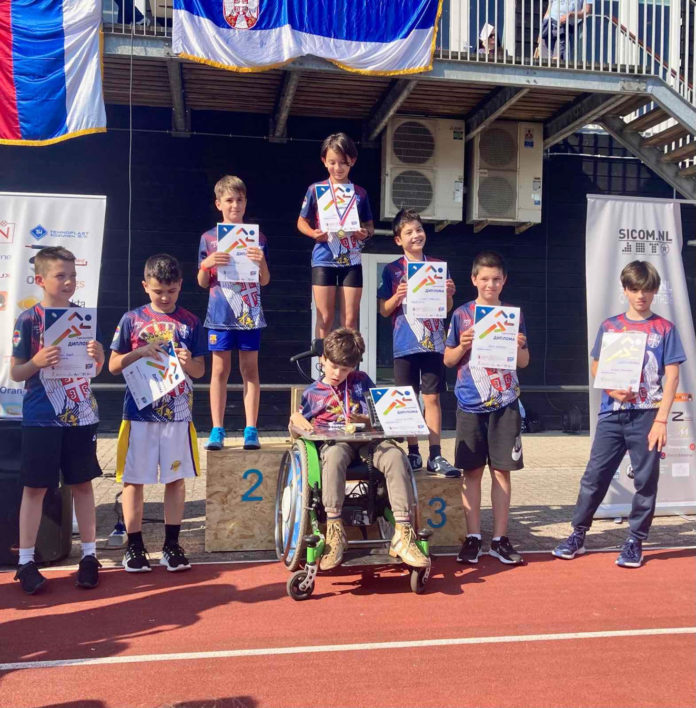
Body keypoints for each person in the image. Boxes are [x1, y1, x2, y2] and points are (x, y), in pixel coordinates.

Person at [553, 261, 685, 568]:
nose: (641, 295)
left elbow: (672, 377)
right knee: (595, 476)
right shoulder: (611, 326)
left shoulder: (665, 328)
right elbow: (597, 365)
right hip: (612, 414)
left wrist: (661, 420)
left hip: (648, 414)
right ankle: (578, 534)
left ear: (655, 291)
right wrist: (612, 390)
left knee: (645, 480)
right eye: (635, 289)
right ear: (625, 290)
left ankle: (635, 540)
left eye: (647, 289)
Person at [289, 327, 429, 571]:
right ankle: (334, 529)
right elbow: (296, 429)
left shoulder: (361, 381)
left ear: (353, 367)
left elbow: (381, 417)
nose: (337, 374)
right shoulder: (313, 393)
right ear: (323, 359)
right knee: (334, 457)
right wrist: (295, 420)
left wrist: (364, 420)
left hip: (368, 442)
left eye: (344, 370)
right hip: (335, 444)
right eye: (333, 366)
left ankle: (403, 531)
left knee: (395, 456)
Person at [11, 246, 105, 594]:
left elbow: (93, 370)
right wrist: (36, 362)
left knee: (82, 484)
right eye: (60, 275)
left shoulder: (83, 318)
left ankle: (90, 556)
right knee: (35, 488)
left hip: (80, 415)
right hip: (40, 418)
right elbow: (16, 373)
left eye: (73, 275)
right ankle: (25, 562)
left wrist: (98, 356)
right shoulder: (28, 320)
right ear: (40, 280)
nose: (68, 282)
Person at [109, 254, 207, 573]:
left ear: (180, 286)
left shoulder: (190, 322)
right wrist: (138, 352)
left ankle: (171, 546)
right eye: (158, 291)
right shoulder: (132, 319)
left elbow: (200, 370)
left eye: (171, 291)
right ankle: (134, 547)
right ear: (145, 286)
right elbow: (112, 365)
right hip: (139, 414)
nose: (165, 297)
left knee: (175, 479)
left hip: (177, 415)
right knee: (133, 480)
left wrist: (188, 361)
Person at [444, 251, 529, 565]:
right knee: (472, 473)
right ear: (474, 280)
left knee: (502, 472)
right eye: (484, 279)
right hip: (470, 402)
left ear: (504, 281)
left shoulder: (512, 315)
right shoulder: (461, 315)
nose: (490, 284)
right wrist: (463, 345)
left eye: (496, 279)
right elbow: (448, 360)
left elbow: (524, 362)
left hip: (505, 403)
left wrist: (519, 346)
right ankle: (473, 537)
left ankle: (499, 539)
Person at [377, 208, 460, 478]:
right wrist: (397, 296)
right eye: (409, 232)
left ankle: (435, 454)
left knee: (432, 398)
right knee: (408, 400)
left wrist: (448, 294)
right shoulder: (392, 270)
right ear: (398, 239)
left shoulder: (437, 265)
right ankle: (413, 452)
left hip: (433, 342)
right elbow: (383, 310)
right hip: (404, 343)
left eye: (419, 229)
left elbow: (447, 307)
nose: (416, 235)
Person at [198, 175, 270, 451]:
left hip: (249, 313)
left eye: (239, 200)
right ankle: (217, 429)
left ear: (246, 202)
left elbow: (265, 280)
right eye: (229, 200)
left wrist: (261, 263)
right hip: (220, 314)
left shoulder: (258, 237)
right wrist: (206, 264)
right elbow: (202, 282)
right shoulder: (208, 238)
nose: (235, 205)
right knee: (219, 371)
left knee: (250, 370)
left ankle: (251, 429)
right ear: (218, 204)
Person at [297, 133, 375, 339]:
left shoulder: (360, 193)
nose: (337, 168)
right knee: (325, 318)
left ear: (352, 161)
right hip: (324, 258)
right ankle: (322, 358)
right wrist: (313, 233)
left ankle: (350, 359)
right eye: (332, 162)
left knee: (350, 319)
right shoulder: (316, 190)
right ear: (324, 161)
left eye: (343, 162)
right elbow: (301, 222)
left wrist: (364, 233)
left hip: (352, 260)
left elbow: (369, 226)